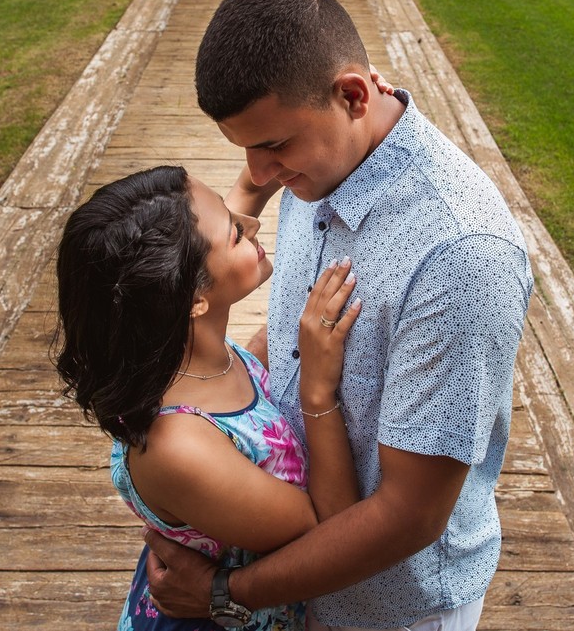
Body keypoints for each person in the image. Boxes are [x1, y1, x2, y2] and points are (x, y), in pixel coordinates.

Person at [143, 0, 534, 631]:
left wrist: (226, 592)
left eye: (272, 145)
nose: (260, 174)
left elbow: (409, 515)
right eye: (245, 149)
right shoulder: (322, 161)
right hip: (297, 579)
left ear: (355, 94)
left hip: (389, 608)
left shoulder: (461, 254)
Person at [54, 164, 366, 630]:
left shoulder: (173, 356)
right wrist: (317, 389)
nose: (253, 226)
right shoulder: (181, 447)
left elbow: (215, 228)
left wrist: (255, 179)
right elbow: (329, 530)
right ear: (193, 298)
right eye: (236, 234)